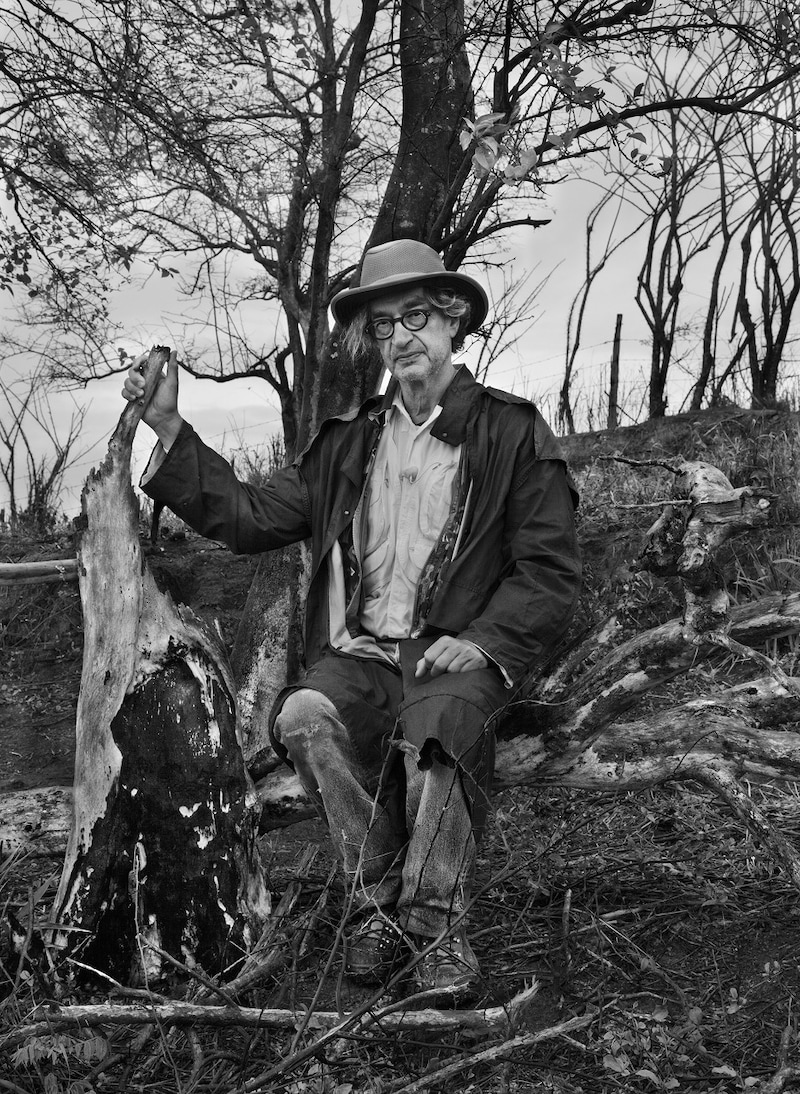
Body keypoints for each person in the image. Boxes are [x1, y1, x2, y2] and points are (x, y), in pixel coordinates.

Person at [123, 239, 581, 1004]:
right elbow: (252, 517)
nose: (400, 336)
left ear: (454, 322)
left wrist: (484, 642)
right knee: (301, 713)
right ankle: (373, 905)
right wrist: (171, 429)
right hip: (365, 658)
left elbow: (549, 572)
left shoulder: (513, 433)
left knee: (439, 726)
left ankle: (435, 925)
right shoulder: (348, 443)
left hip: (456, 653)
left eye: (418, 316)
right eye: (382, 325)